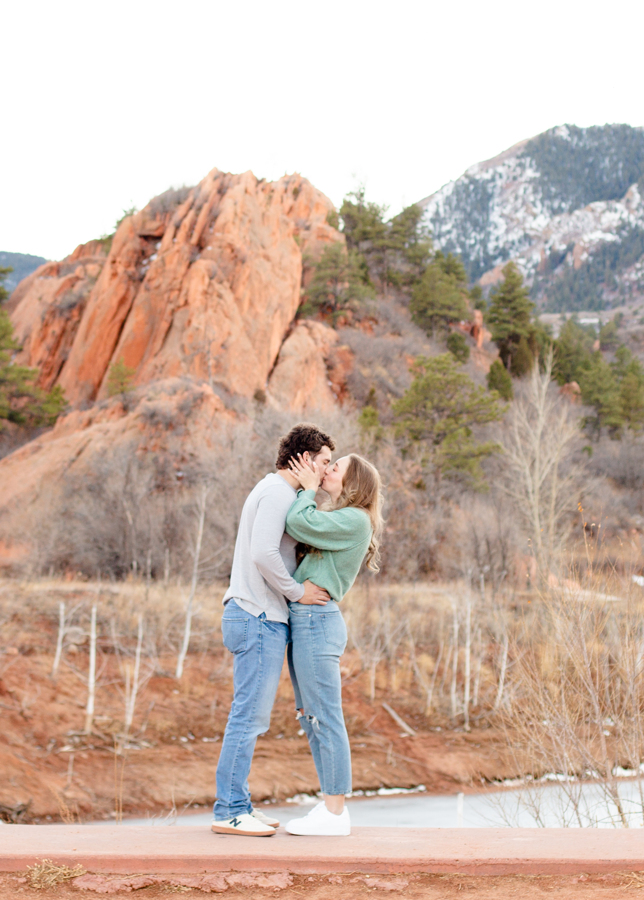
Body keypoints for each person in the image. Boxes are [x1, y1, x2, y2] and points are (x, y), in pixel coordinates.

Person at [211, 424, 335, 837]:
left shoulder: (280, 492)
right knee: (248, 718)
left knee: (251, 717)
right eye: (323, 462)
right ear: (302, 459)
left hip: (258, 617)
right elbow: (263, 552)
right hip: (257, 617)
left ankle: (239, 803)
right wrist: (297, 592)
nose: (327, 470)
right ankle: (229, 810)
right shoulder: (278, 493)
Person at [283, 452, 383, 836]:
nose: (326, 470)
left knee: (326, 717)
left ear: (353, 482)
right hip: (306, 621)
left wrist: (307, 490)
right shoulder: (343, 518)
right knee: (312, 718)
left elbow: (297, 521)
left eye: (334, 468)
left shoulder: (355, 520)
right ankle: (330, 806)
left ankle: (336, 813)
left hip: (316, 622)